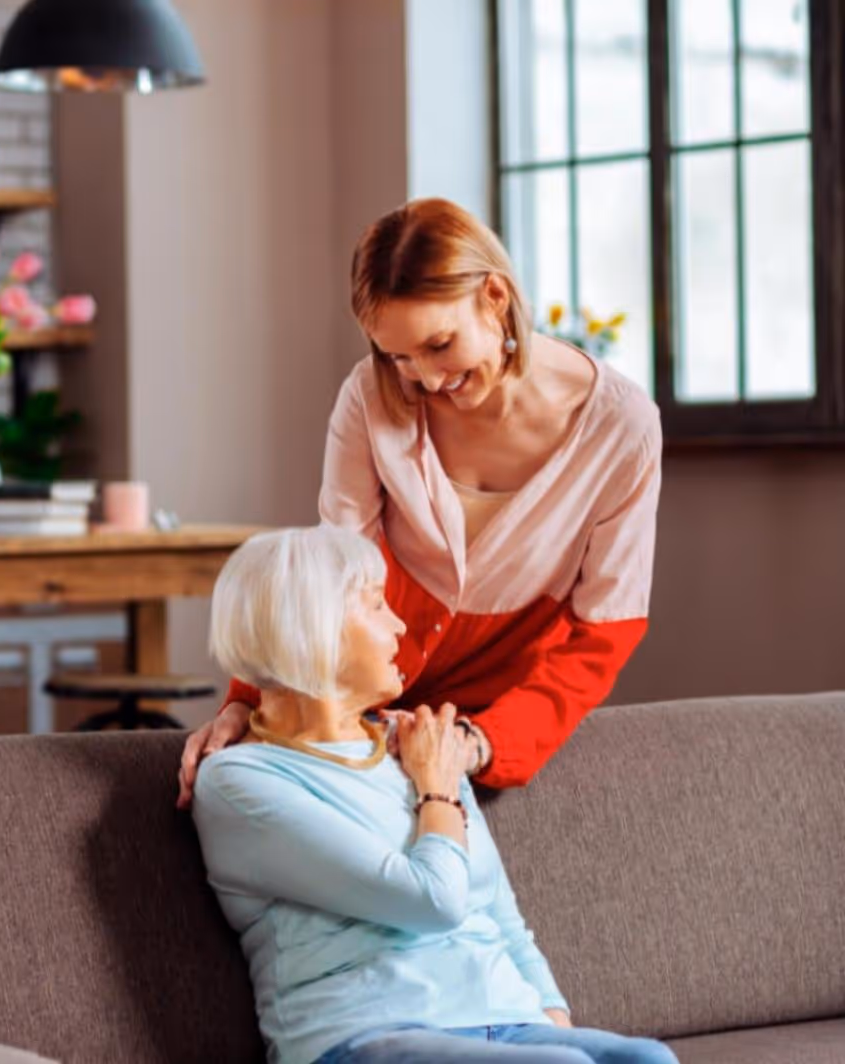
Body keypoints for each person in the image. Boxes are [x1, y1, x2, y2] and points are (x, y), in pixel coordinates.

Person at [179, 198, 661, 807]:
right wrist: (249, 703)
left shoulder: (622, 428)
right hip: (356, 718)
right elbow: (327, 572)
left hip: (484, 737)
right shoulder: (371, 397)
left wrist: (482, 742)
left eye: (438, 345)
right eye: (398, 356)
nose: (426, 380)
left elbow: (604, 631)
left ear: (494, 297)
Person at [192, 525, 678, 1064]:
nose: (400, 625)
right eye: (377, 605)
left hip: (503, 1025)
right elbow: (432, 900)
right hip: (361, 1035)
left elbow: (499, 911)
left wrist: (549, 1017)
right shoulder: (241, 781)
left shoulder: (417, 747)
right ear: (314, 628)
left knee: (645, 1060)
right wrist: (439, 787)